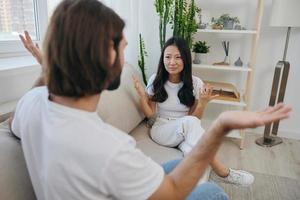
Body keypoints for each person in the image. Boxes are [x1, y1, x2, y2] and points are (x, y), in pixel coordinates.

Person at [10, 0, 291, 199]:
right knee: (212, 194)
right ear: (105, 57)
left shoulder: (31, 104)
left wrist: (49, 69)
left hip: (109, 184)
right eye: (122, 49)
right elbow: (173, 193)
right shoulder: (109, 147)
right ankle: (223, 175)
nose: (124, 58)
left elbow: (14, 123)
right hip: (125, 171)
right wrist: (221, 126)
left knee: (177, 166)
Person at [133, 36, 256, 187]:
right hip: (161, 130)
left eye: (178, 57)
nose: (172, 62)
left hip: (185, 130)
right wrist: (141, 96)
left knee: (193, 149)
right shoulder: (156, 80)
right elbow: (151, 116)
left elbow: (194, 119)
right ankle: (223, 172)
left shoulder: (196, 83)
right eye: (168, 57)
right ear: (162, 59)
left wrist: (203, 103)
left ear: (185, 59)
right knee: (190, 125)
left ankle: (197, 187)